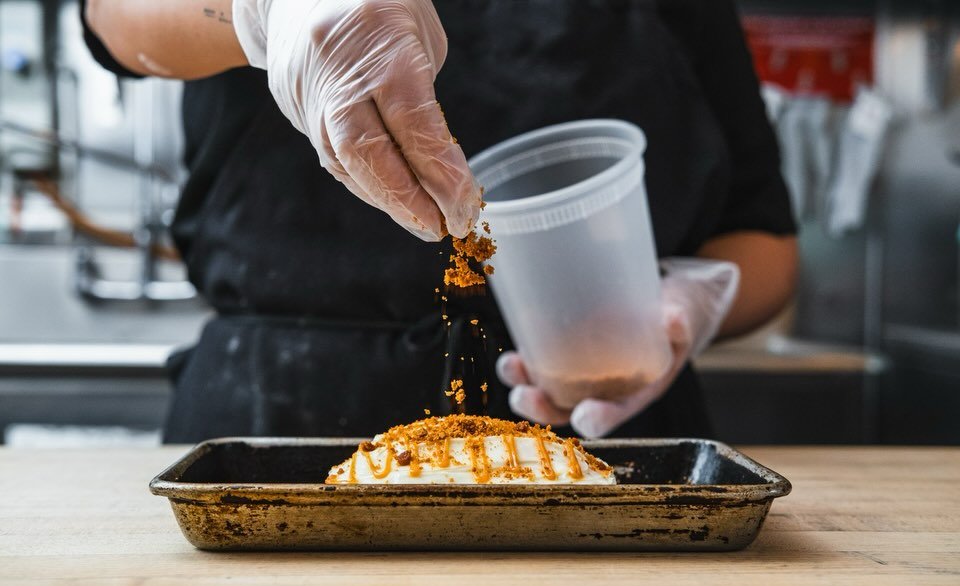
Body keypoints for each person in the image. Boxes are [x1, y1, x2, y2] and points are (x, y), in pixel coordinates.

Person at [82, 0, 797, 443]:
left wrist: (686, 305)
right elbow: (114, 15)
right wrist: (266, 9)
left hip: (598, 432)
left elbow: (764, 240)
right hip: (279, 420)